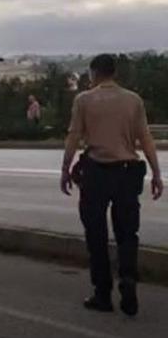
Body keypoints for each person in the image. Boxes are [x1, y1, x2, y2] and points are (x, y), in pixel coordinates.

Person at [60, 54, 162, 316]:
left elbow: (73, 136)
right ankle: (128, 278)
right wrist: (157, 173)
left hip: (96, 173)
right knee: (128, 233)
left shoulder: (84, 100)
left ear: (94, 73)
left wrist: (65, 169)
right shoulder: (133, 100)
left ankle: (102, 294)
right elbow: (146, 138)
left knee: (96, 235)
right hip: (128, 173)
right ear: (115, 72)